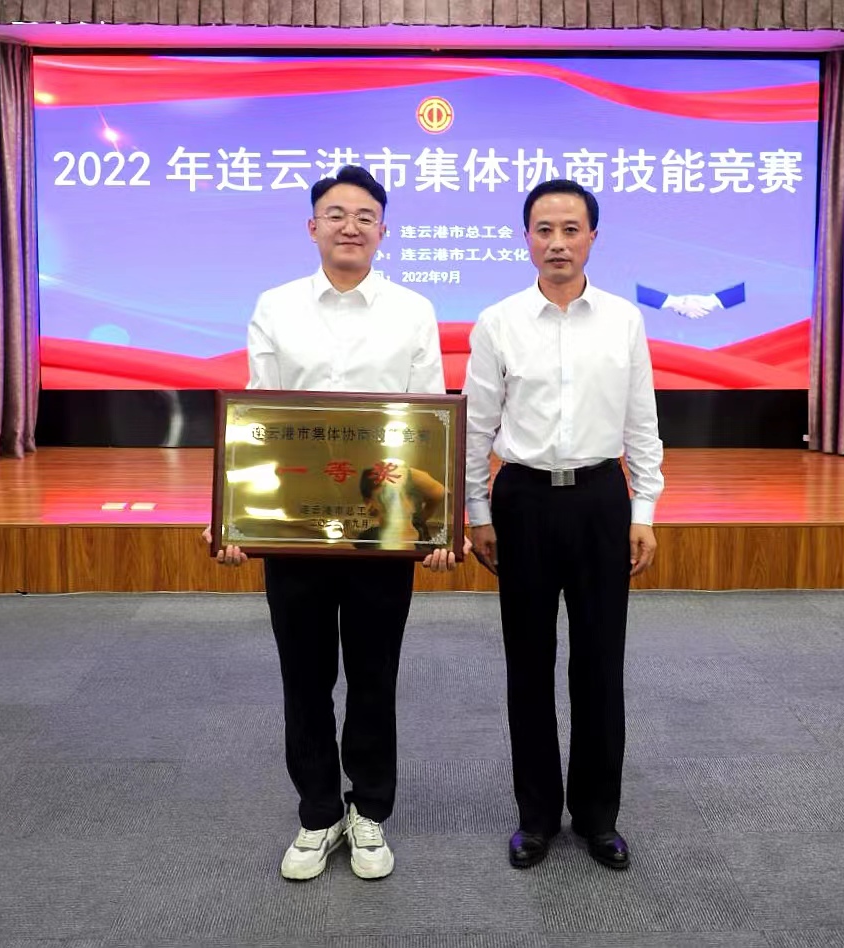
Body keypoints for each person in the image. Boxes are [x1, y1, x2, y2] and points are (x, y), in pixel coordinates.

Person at [208, 165, 464, 883]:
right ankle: (318, 813)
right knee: (305, 677)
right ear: (312, 225)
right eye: (336, 214)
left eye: (364, 216)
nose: (350, 226)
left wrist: (437, 526)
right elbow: (256, 416)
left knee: (375, 677)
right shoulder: (277, 306)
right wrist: (234, 517)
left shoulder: (412, 310)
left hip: (382, 529)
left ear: (383, 230)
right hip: (296, 527)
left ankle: (370, 809)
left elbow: (429, 420)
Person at [463, 179, 664, 871]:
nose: (557, 243)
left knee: (600, 663)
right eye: (543, 229)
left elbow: (641, 422)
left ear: (592, 238)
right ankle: (537, 817)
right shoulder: (498, 322)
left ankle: (598, 817)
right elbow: (476, 426)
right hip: (523, 501)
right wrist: (477, 510)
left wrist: (643, 510)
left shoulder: (623, 321)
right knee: (527, 663)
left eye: (570, 229)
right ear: (526, 238)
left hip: (600, 499)